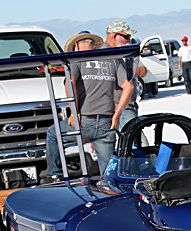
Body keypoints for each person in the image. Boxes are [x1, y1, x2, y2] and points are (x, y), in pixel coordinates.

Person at [45, 31, 130, 179]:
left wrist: (74, 112)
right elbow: (129, 86)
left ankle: (55, 175)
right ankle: (111, 188)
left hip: (84, 120)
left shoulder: (76, 60)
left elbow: (70, 82)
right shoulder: (112, 59)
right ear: (93, 44)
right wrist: (117, 115)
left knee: (53, 134)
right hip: (107, 122)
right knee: (109, 174)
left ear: (77, 45)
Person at [104, 19, 143, 129]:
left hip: (123, 107)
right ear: (114, 35)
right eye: (126, 37)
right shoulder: (105, 55)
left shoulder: (121, 53)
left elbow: (143, 70)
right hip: (120, 108)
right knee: (135, 137)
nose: (129, 40)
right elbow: (128, 86)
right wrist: (117, 115)